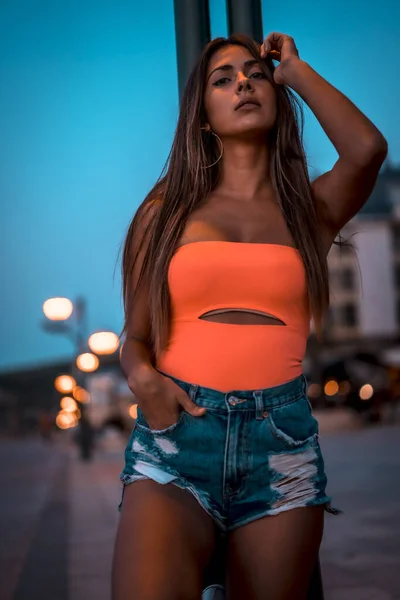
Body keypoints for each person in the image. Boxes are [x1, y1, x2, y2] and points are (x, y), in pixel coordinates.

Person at [112, 32, 387, 600]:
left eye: (254, 74)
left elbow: (366, 150)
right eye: (223, 79)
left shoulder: (310, 211)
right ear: (203, 116)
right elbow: (135, 336)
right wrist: (143, 378)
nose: (242, 82)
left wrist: (297, 72)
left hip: (279, 443)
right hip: (177, 437)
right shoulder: (164, 213)